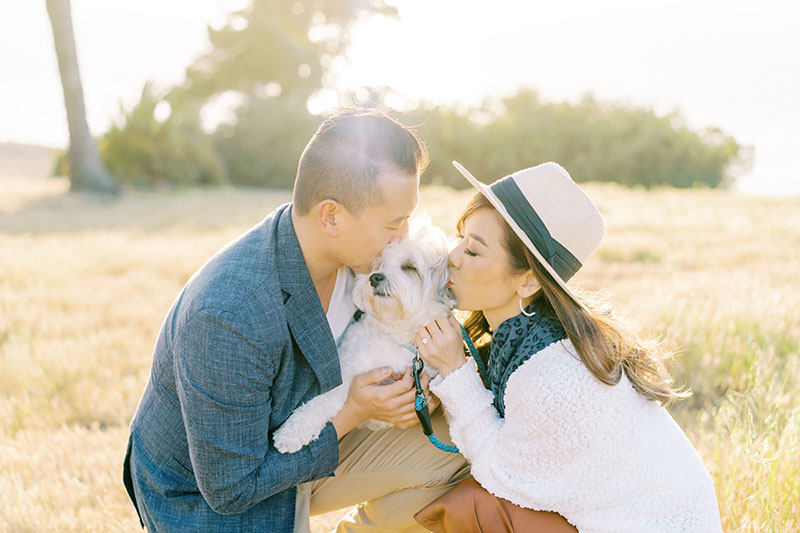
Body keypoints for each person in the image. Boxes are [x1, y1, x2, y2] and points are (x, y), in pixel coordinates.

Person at [123, 108, 469, 532]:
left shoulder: (359, 258)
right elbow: (232, 489)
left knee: (463, 449)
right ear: (330, 217)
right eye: (394, 223)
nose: (402, 237)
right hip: (218, 493)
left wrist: (424, 387)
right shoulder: (229, 315)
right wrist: (354, 410)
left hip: (313, 435)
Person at [412, 161, 722, 532]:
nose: (452, 256)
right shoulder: (530, 340)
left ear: (527, 281)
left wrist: (455, 371)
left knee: (471, 505)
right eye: (459, 237)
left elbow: (500, 476)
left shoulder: (555, 374)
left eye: (474, 251)